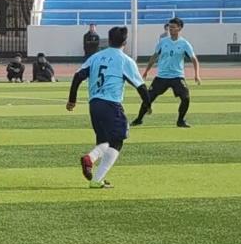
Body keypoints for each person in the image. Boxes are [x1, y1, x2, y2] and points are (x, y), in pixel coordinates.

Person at [67, 26, 151, 189]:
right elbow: (140, 86)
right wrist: (147, 104)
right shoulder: (125, 60)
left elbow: (78, 76)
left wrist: (72, 100)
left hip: (94, 104)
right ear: (125, 42)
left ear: (109, 40)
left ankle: (94, 171)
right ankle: (93, 168)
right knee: (118, 140)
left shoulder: (96, 57)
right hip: (111, 104)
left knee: (105, 141)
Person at [133, 17, 202, 129]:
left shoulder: (185, 44)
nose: (170, 29)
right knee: (148, 98)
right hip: (162, 76)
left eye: (173, 27)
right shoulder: (163, 42)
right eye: (169, 27)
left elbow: (194, 59)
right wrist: (146, 71)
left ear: (179, 28)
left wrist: (197, 74)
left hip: (177, 76)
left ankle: (180, 121)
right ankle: (139, 119)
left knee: (185, 97)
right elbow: (154, 56)